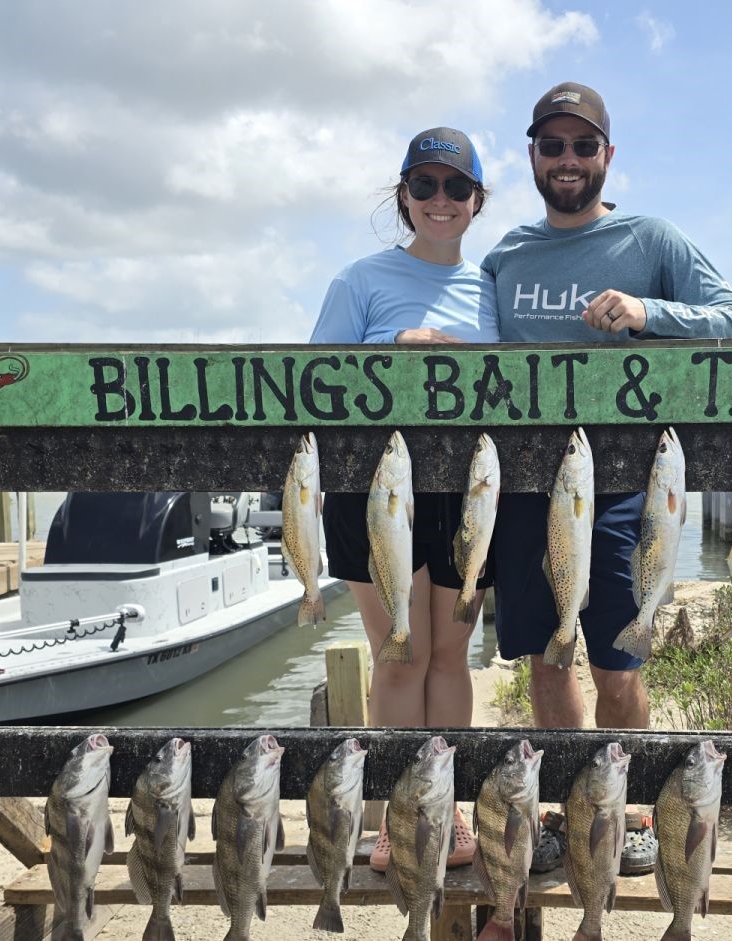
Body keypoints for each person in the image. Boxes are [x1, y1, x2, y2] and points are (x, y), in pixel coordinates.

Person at [480, 82, 732, 874]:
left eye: (582, 145)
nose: (567, 160)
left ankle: (627, 809)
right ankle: (564, 808)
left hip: (627, 493)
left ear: (608, 155)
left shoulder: (653, 239)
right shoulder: (505, 255)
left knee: (619, 662)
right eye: (552, 145)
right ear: (532, 156)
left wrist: (649, 312)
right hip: (526, 494)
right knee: (547, 657)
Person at [309, 126, 497, 872]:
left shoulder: (492, 289)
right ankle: (394, 814)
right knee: (400, 655)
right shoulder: (359, 282)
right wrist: (392, 355)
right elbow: (316, 384)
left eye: (456, 187)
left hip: (465, 495)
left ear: (476, 201)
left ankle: (443, 810)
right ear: (404, 197)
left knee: (451, 655)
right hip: (372, 490)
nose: (440, 200)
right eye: (425, 186)